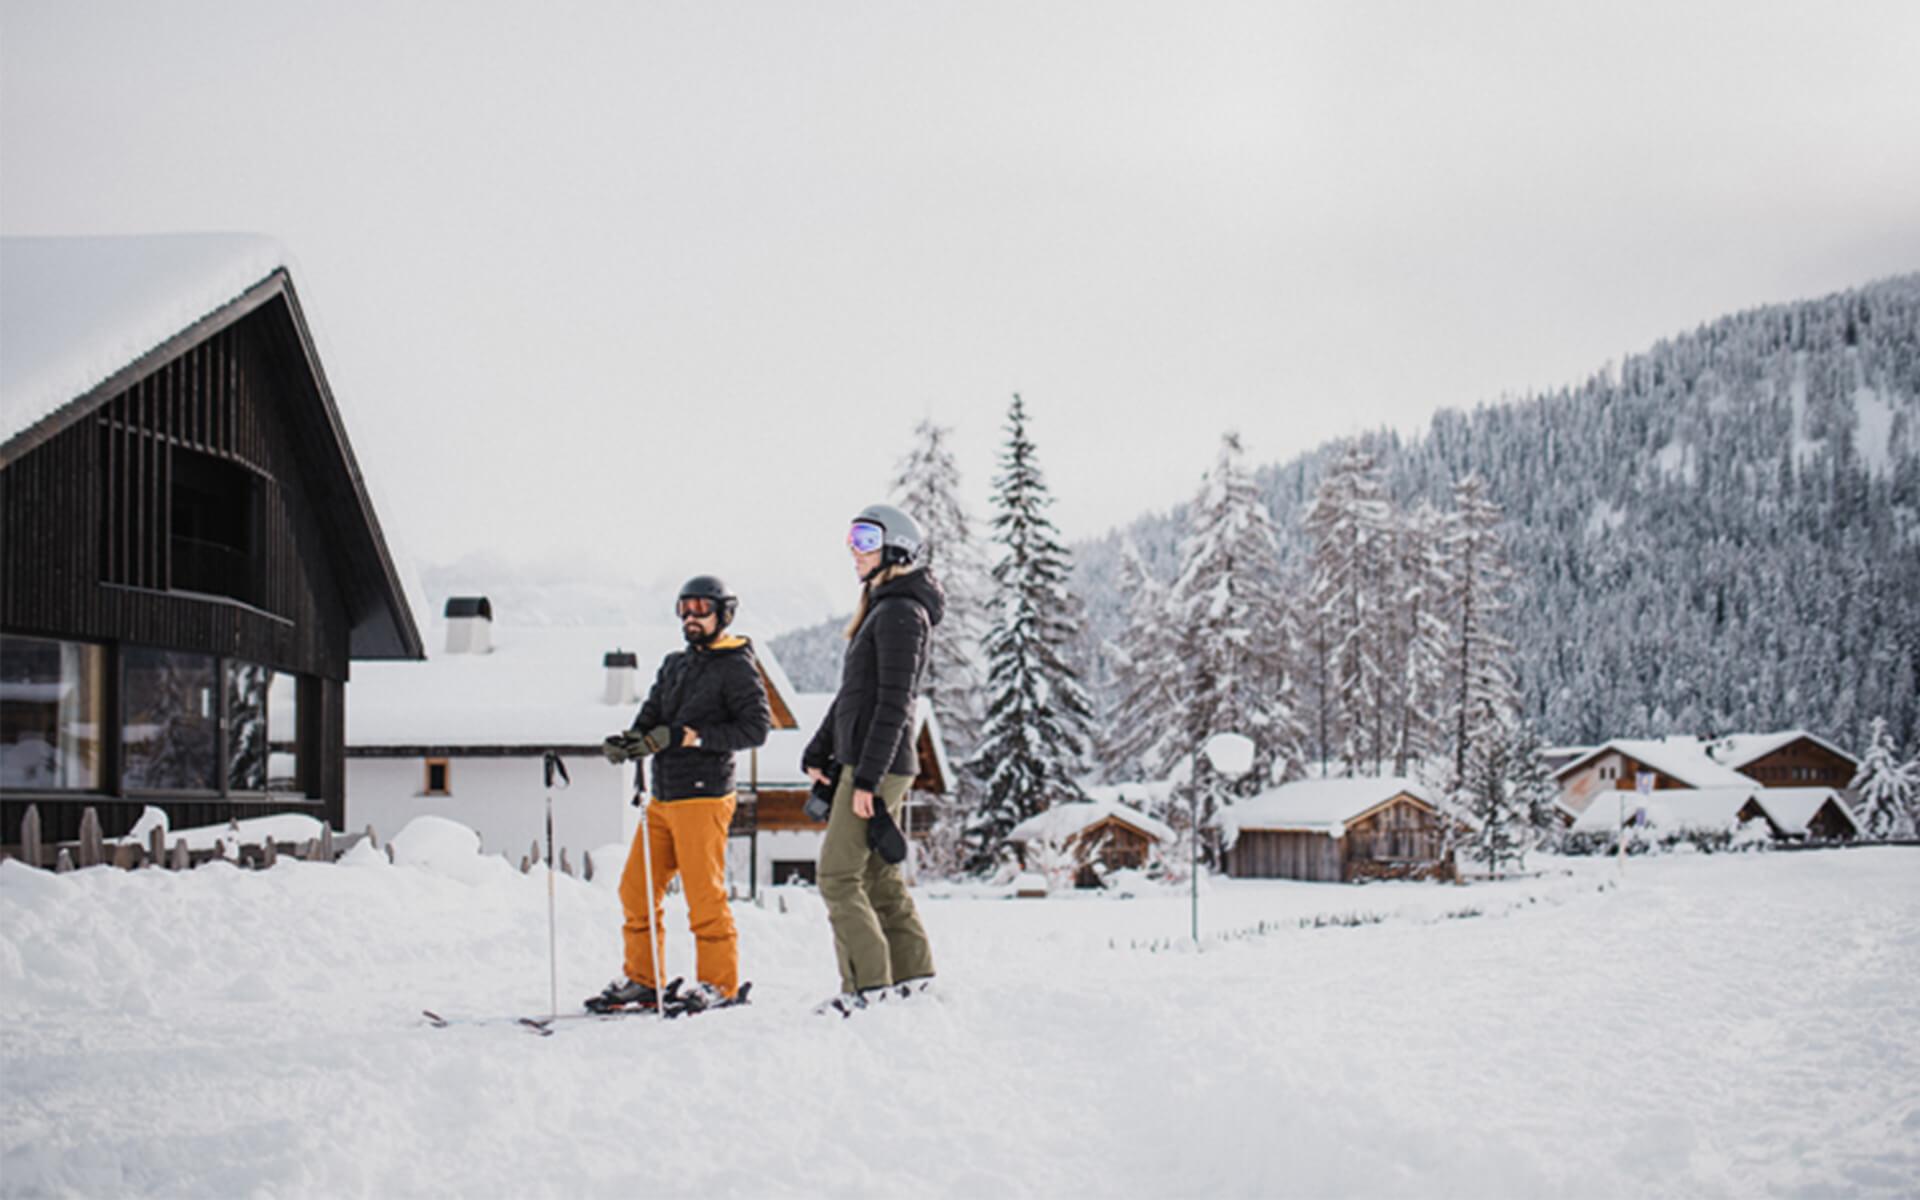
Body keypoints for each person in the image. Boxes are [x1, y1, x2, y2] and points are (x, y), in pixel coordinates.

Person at [590, 575, 770, 1013]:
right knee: (635, 889)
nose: (691, 617)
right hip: (664, 796)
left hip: (704, 795)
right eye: (684, 608)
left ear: (723, 614)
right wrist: (631, 740)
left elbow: (756, 729)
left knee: (703, 895)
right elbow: (651, 715)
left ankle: (718, 983)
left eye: (701, 609)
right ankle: (642, 978)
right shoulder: (675, 664)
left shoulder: (738, 666)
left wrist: (694, 737)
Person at [802, 503, 941, 1012]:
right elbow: (852, 696)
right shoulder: (885, 609)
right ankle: (913, 976)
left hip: (876, 765)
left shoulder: (903, 612)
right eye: (851, 539)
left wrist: (866, 779)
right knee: (878, 874)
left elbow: (894, 703)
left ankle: (866, 990)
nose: (853, 551)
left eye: (865, 539)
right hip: (867, 761)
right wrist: (820, 751)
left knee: (838, 876)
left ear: (895, 546)